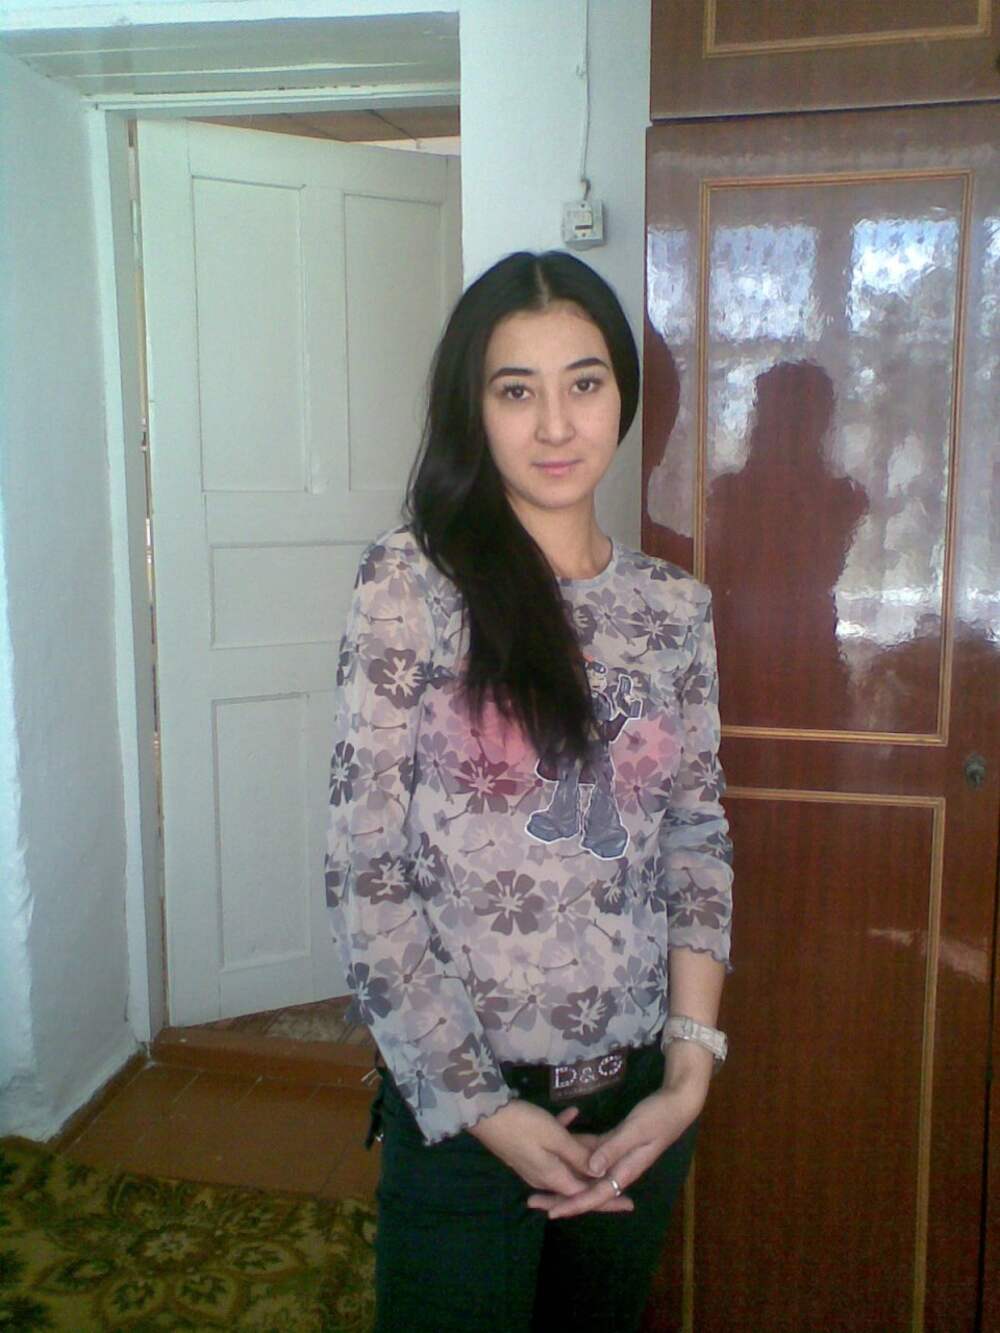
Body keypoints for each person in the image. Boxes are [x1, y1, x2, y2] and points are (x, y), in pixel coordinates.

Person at [323, 250, 733, 1333]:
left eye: (583, 383)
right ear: (476, 407)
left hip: (635, 1103)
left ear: (622, 396)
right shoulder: (411, 584)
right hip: (464, 1107)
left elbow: (696, 837)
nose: (555, 424)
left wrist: (687, 1071)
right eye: (516, 390)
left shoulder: (674, 609)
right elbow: (364, 869)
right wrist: (484, 1110)